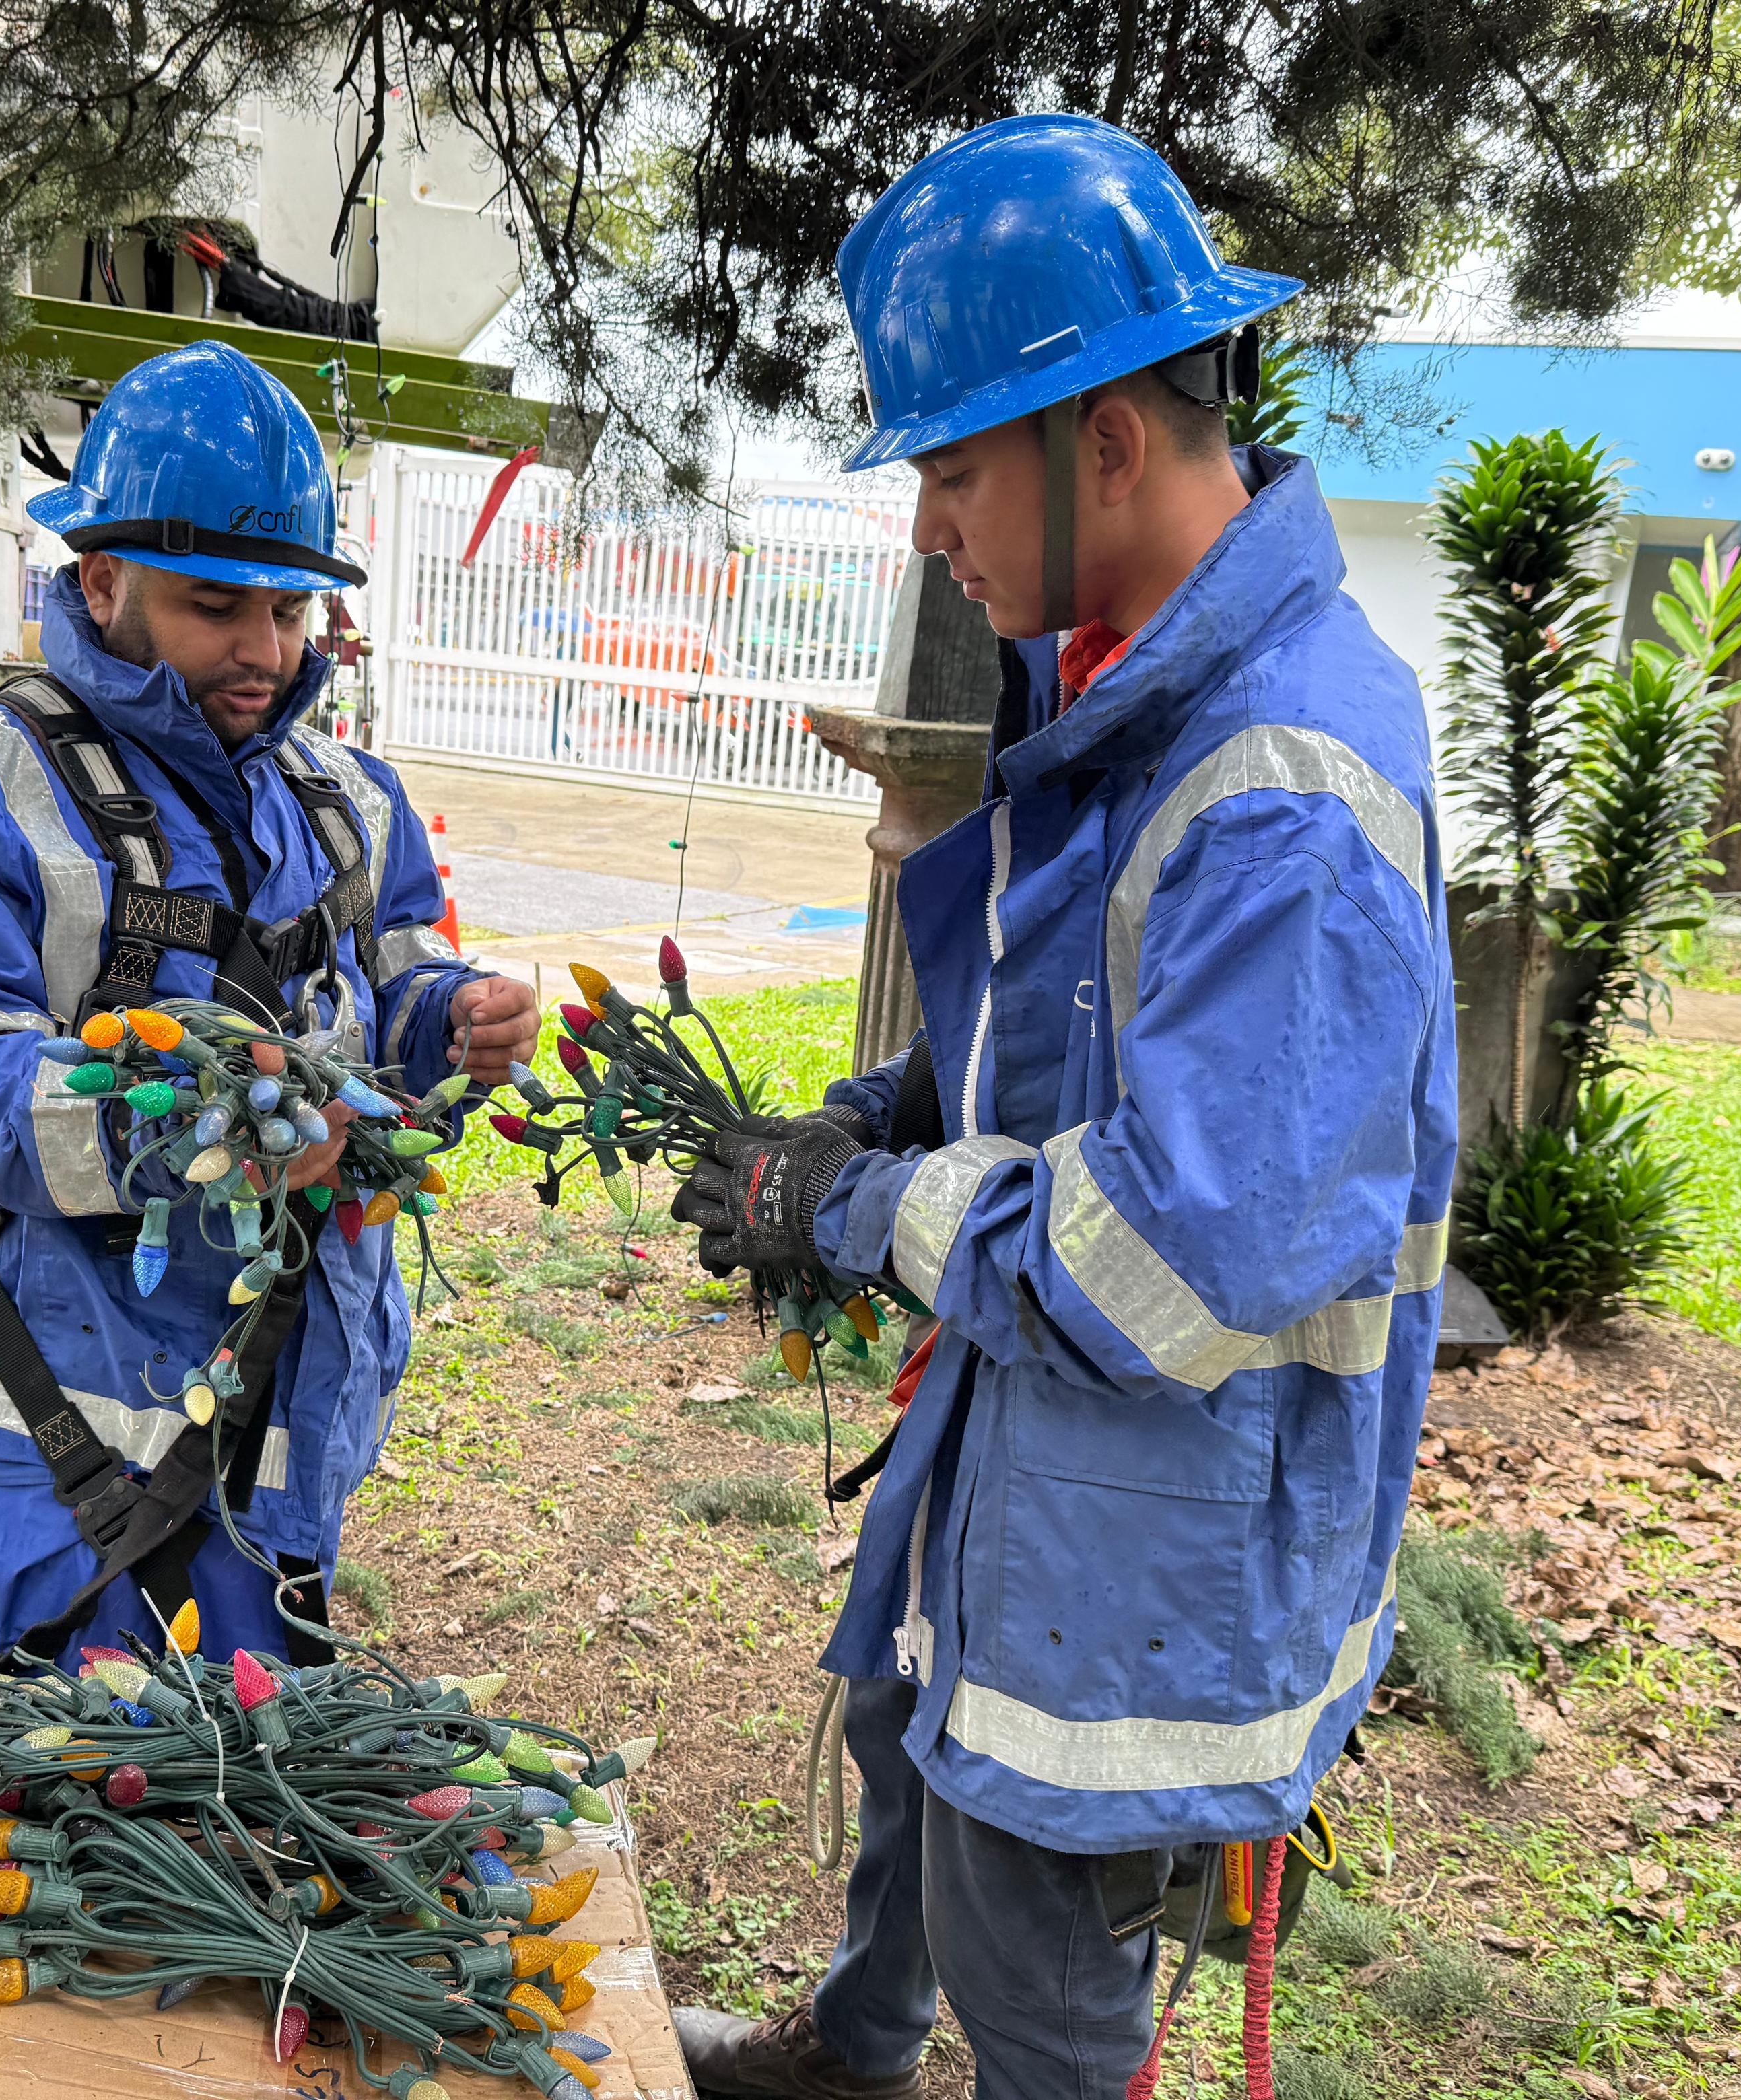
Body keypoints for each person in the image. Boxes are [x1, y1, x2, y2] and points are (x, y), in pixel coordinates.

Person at [669, 116, 1458, 2099]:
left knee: (1036, 1951)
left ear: (1100, 435)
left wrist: (849, 1211)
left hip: (1156, 1565)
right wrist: (880, 1116)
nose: (928, 522)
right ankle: (856, 2059)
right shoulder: (1121, 690)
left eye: (946, 464)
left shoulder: (1280, 782)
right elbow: (1059, 1043)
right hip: (1038, 1479)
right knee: (909, 1761)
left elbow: (1162, 1262)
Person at [0, 341, 537, 1673]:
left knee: (242, 1814)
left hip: (284, 1436)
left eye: (292, 616)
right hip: (61, 1466)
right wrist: (199, 1126)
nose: (265, 653)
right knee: (69, 1831)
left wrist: (452, 1020)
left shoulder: (351, 802)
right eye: (218, 610)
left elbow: (391, 982)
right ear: (104, 581)